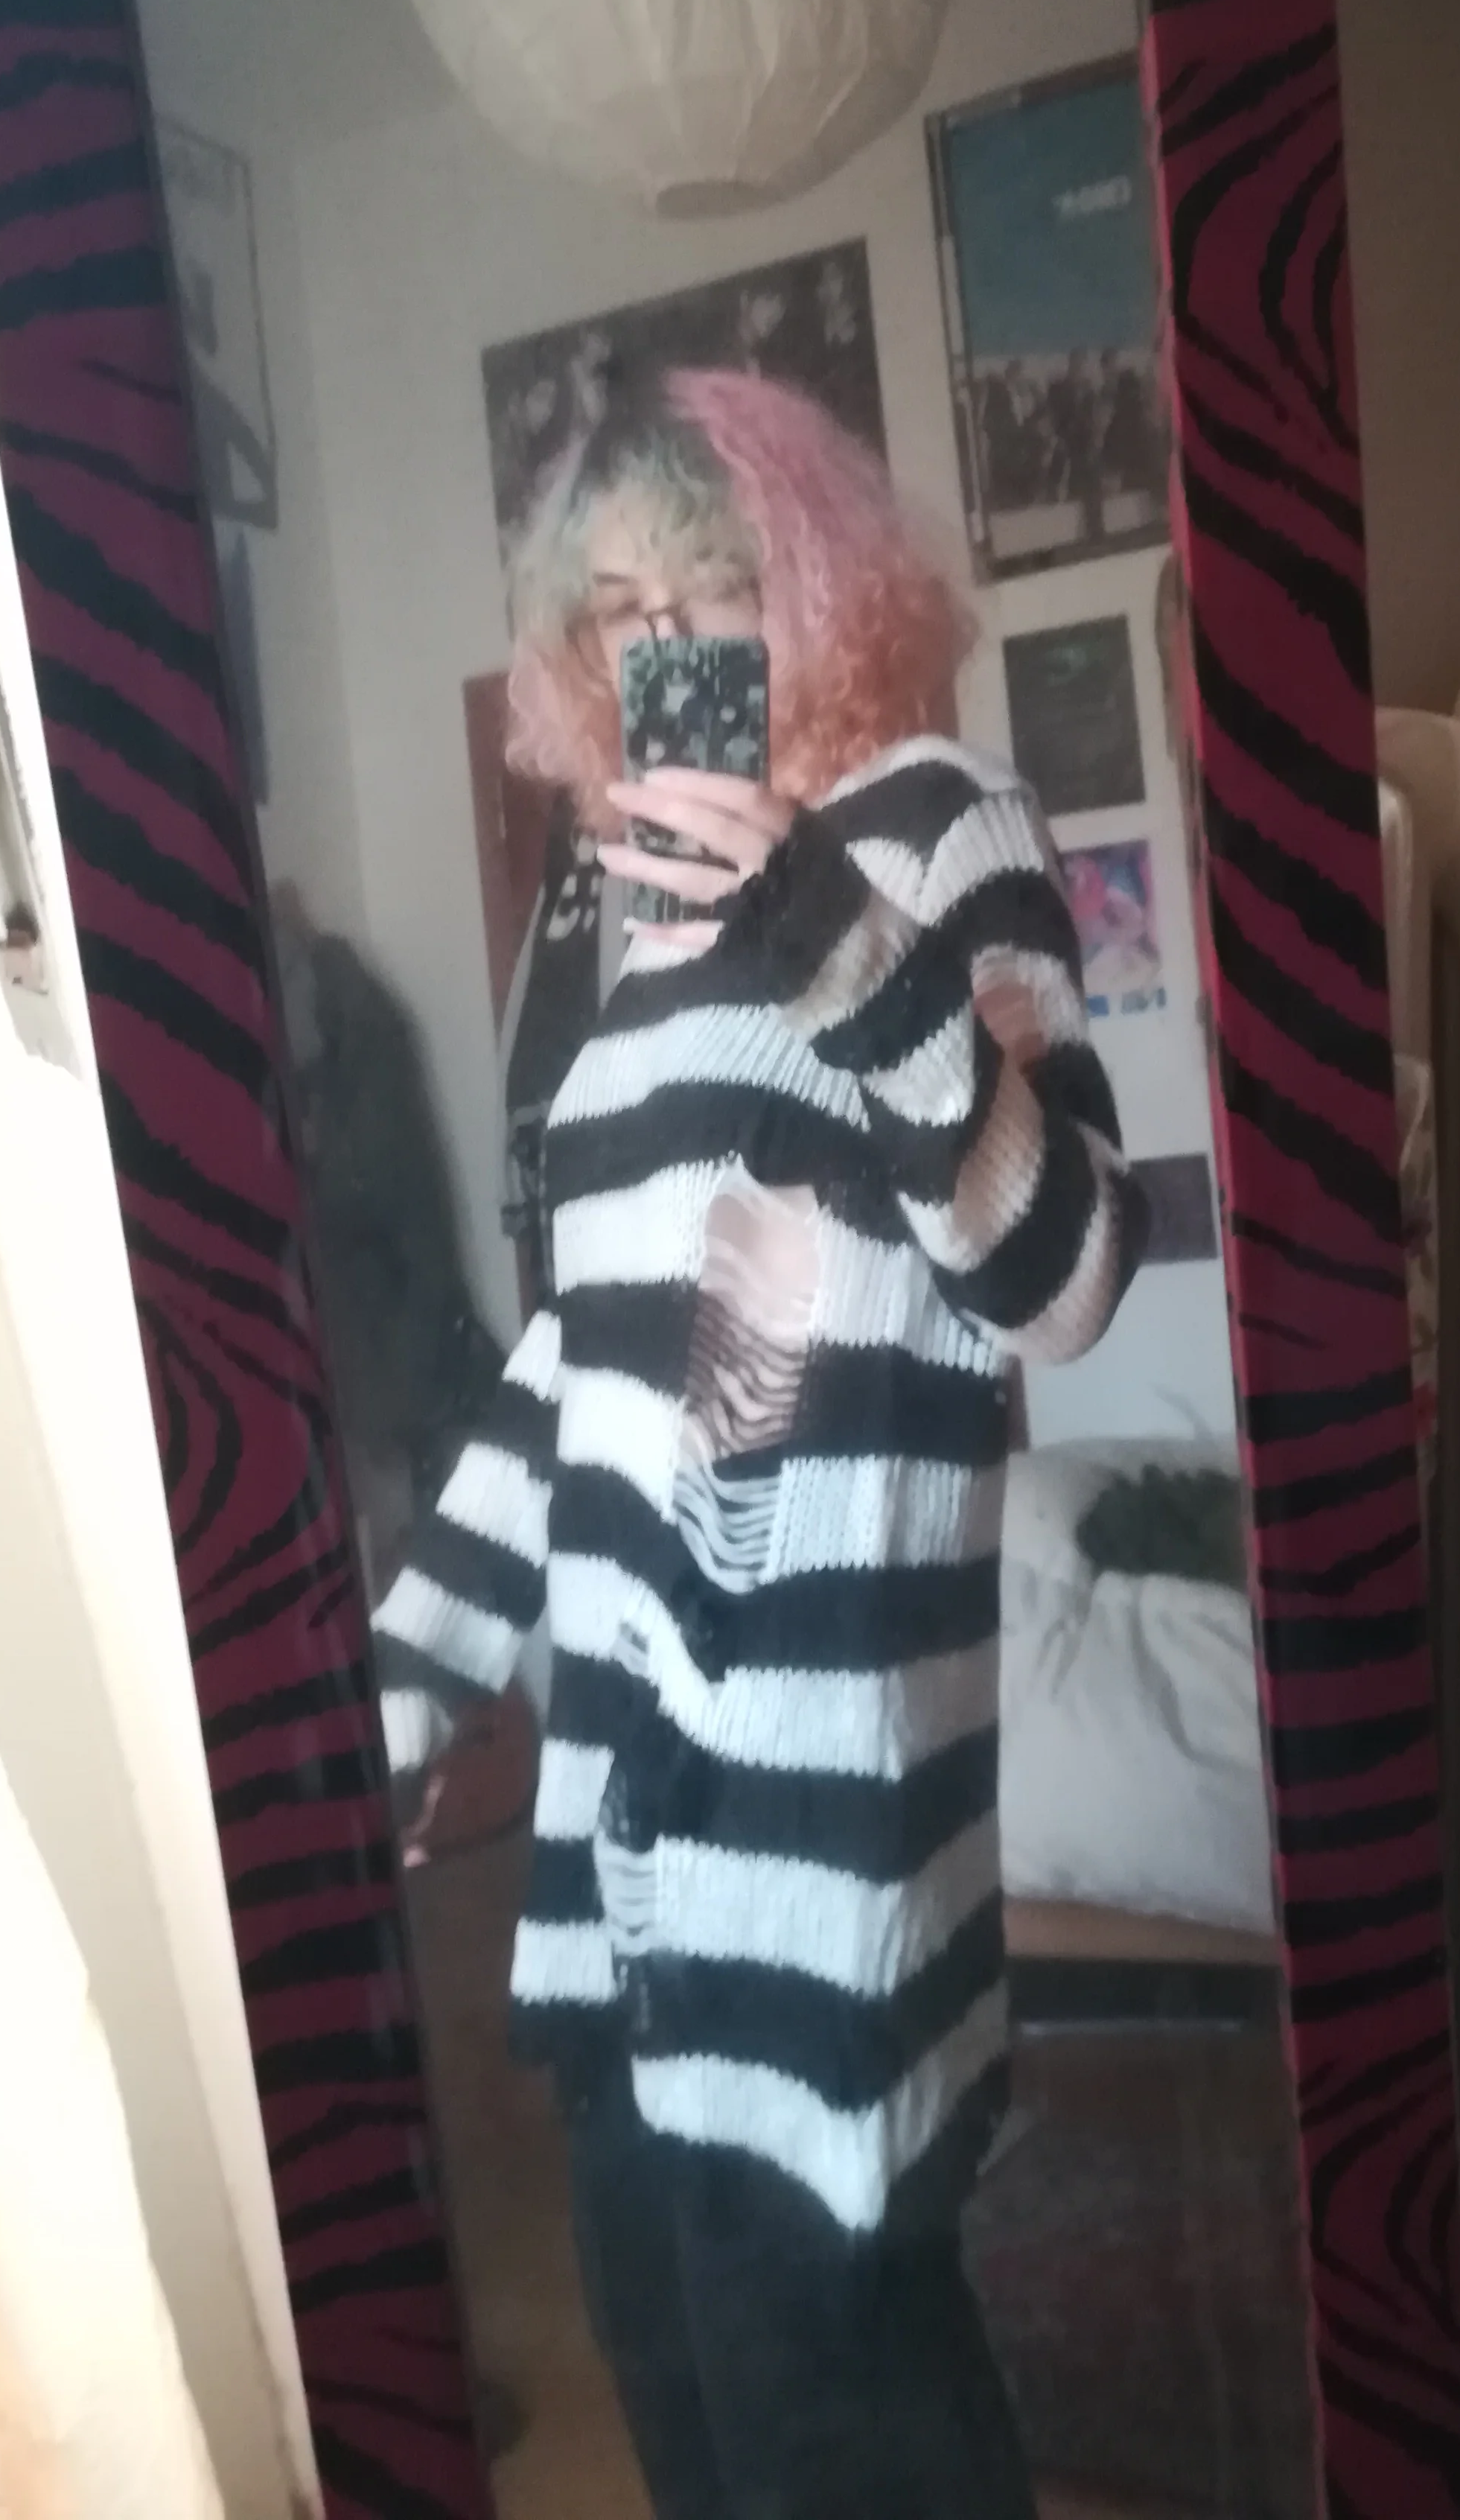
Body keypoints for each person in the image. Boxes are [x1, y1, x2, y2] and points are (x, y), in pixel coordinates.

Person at [371, 363, 1144, 2520]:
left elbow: (1071, 1275)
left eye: (705, 585)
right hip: (629, 1831)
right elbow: (629, 1362)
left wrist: (828, 930)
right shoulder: (639, 942)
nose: (661, 648)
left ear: (808, 576)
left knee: (840, 2426)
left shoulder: (935, 825)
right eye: (613, 611)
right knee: (691, 2399)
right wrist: (413, 1665)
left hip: (827, 1846)